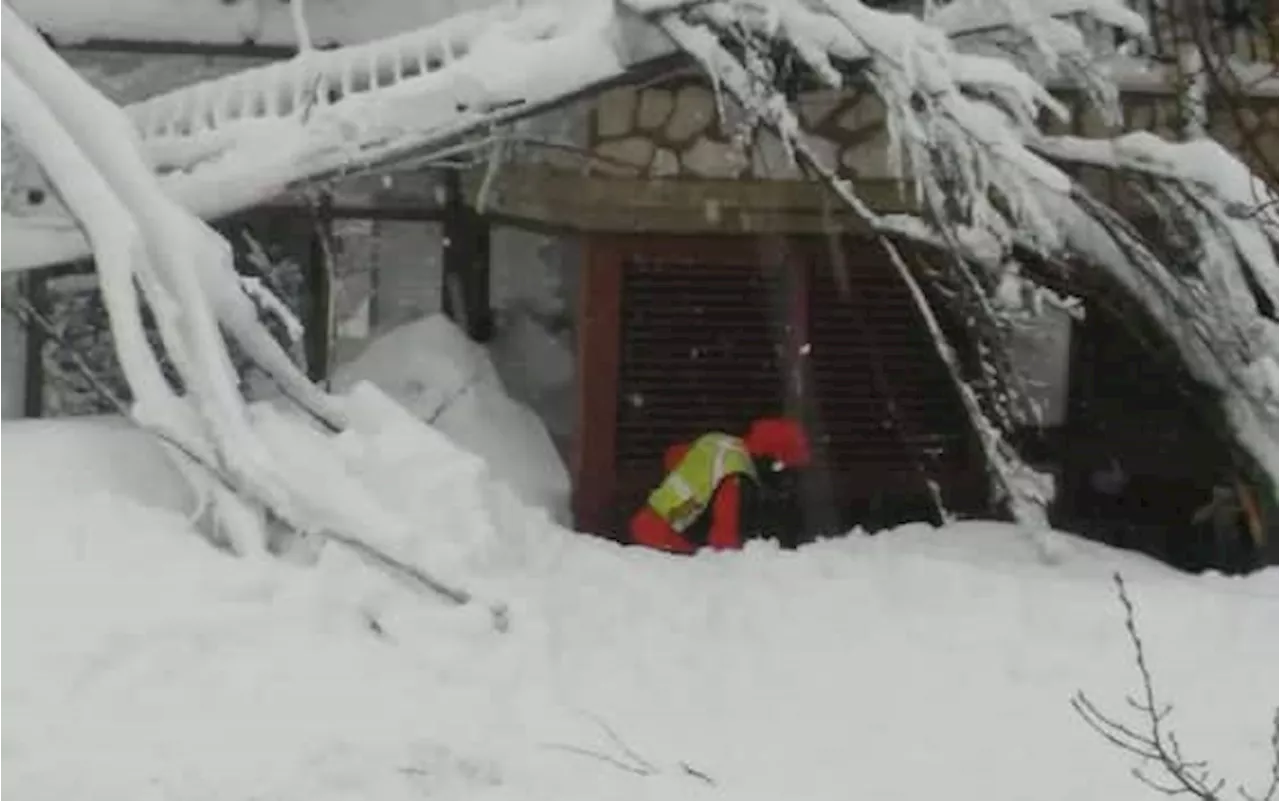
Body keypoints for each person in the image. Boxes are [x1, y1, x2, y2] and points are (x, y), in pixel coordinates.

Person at [627, 417, 813, 554]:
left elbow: (672, 457)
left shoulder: (717, 442)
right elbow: (724, 543)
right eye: (786, 472)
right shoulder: (737, 477)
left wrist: (683, 504)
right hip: (665, 545)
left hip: (645, 525)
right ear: (773, 461)